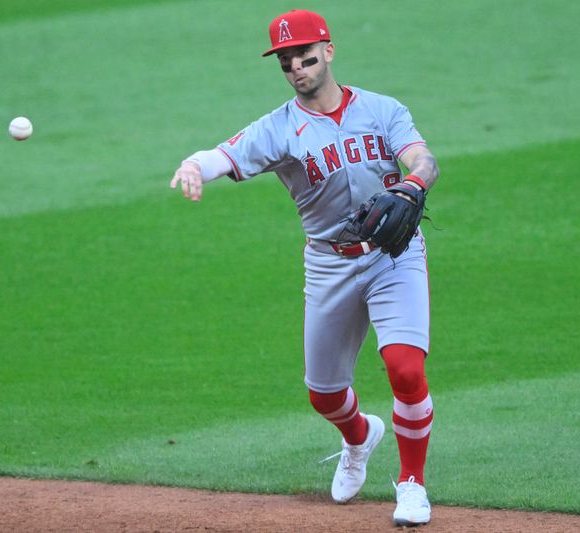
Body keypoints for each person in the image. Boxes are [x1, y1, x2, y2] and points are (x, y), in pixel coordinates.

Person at [170, 9, 439, 527]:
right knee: (325, 394)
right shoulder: (280, 128)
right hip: (328, 264)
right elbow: (224, 155)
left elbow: (423, 160)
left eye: (306, 56)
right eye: (286, 60)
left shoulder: (383, 110)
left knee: (406, 368)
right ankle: (359, 438)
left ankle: (411, 485)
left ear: (329, 52)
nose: (297, 67)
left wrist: (413, 186)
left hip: (393, 256)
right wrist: (193, 164)